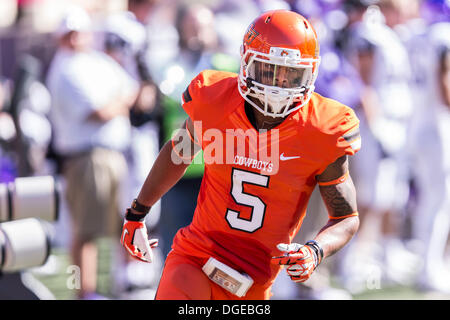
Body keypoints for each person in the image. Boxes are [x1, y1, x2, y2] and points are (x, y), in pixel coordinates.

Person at [120, 10, 361, 300]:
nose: (278, 85)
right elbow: (178, 153)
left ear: (310, 74)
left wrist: (315, 250)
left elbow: (346, 217)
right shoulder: (214, 100)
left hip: (255, 280)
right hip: (196, 256)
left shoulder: (323, 128)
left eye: (291, 74)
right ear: (246, 62)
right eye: (269, 70)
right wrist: (137, 213)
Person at [46, 7, 138, 299]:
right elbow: (103, 111)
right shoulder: (66, 68)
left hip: (111, 154)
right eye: (69, 34)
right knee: (86, 231)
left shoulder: (93, 62)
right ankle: (83, 292)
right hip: (87, 157)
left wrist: (121, 101)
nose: (75, 39)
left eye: (79, 33)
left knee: (121, 223)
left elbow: (131, 91)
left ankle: (122, 282)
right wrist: (121, 102)